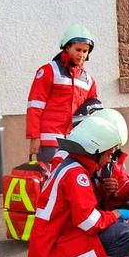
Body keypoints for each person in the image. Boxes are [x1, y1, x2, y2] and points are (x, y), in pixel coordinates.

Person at [25, 115, 129, 257]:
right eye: (108, 154)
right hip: (55, 253)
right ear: (95, 151)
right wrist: (119, 215)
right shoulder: (77, 175)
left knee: (110, 230)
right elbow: (90, 222)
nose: (109, 160)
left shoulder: (69, 166)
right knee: (121, 233)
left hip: (47, 250)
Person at [26, 24, 98, 164]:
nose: (81, 54)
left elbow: (92, 115)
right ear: (67, 47)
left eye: (85, 51)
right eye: (77, 49)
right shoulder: (48, 71)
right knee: (49, 182)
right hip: (49, 141)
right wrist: (34, 137)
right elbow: (35, 106)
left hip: (75, 143)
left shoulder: (89, 81)